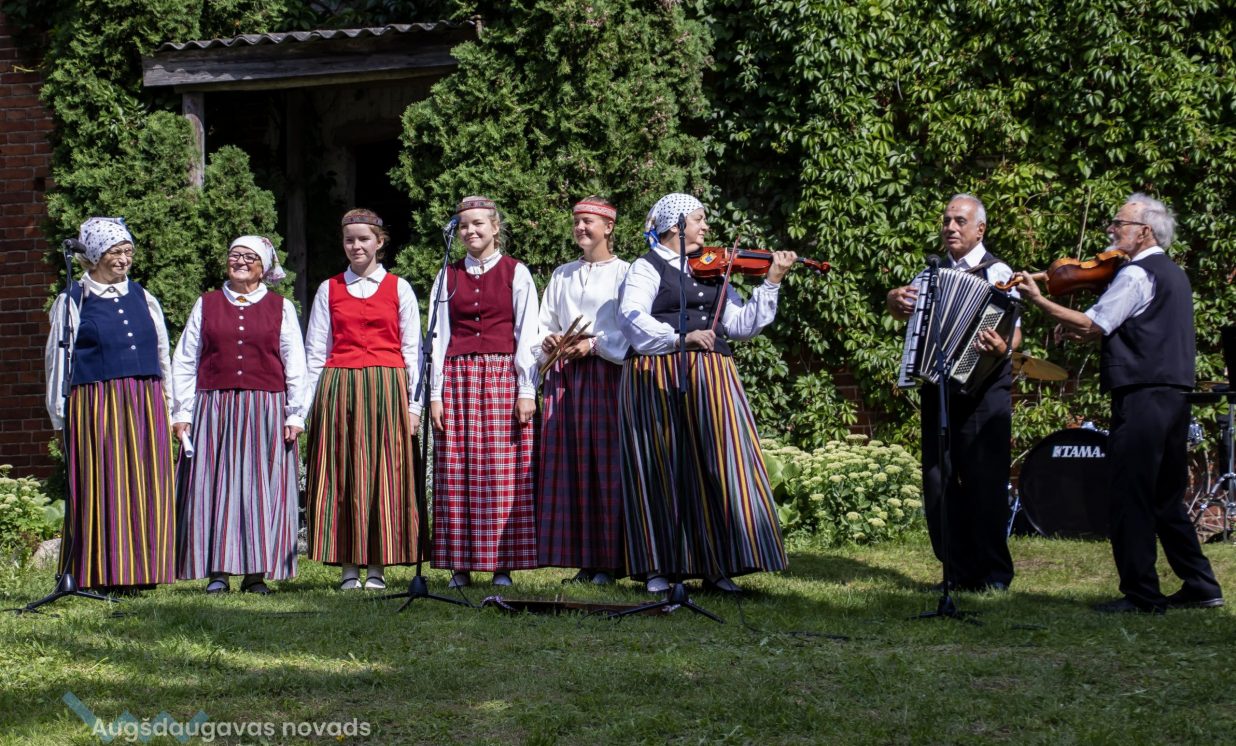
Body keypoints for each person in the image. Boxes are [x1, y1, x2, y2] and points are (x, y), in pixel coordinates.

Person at [1013, 193, 1223, 613]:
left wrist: (1038, 300)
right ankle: (1202, 586)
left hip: (1142, 396)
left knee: (1131, 494)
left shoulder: (1137, 273)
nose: (1111, 230)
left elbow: (1094, 322)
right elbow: (1125, 327)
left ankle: (1142, 594)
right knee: (1165, 498)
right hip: (1174, 396)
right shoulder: (1174, 274)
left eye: (1119, 223)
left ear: (1144, 231)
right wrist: (1083, 330)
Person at [618, 192, 793, 594]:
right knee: (658, 466)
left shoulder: (714, 269)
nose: (706, 227)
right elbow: (632, 318)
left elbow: (741, 325)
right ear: (675, 225)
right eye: (699, 219)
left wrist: (771, 281)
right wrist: (679, 337)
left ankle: (718, 565)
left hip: (712, 375)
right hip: (655, 375)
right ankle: (659, 567)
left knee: (722, 462)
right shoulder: (645, 268)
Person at [885, 194, 1020, 593]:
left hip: (984, 391)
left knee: (984, 482)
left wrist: (1002, 346)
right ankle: (957, 571)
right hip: (939, 387)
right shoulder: (931, 272)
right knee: (938, 479)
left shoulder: (998, 272)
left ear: (980, 229)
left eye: (960, 221)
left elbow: (1014, 332)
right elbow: (905, 313)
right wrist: (894, 302)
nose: (950, 227)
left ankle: (994, 573)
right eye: (947, 220)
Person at [44, 217, 174, 592]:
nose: (123, 259)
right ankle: (103, 571)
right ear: (95, 255)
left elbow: (162, 353)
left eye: (128, 251)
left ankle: (145, 570)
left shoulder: (144, 297)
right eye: (115, 252)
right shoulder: (73, 300)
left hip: (144, 399)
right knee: (105, 482)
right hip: (97, 401)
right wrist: (59, 416)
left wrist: (169, 402)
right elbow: (58, 361)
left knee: (147, 482)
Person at [171, 236, 306, 594]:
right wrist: (182, 411)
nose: (241, 262)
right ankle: (217, 572)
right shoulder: (207, 304)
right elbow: (185, 359)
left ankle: (255, 574)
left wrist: (295, 414)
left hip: (266, 408)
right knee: (214, 486)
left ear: (264, 268)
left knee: (260, 489)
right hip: (215, 408)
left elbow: (295, 362)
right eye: (235, 255)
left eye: (250, 257)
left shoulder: (280, 307)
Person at [303, 209, 422, 591]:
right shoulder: (330, 289)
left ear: (379, 242)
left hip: (387, 387)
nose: (356, 246)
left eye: (363, 239)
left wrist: (414, 405)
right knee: (342, 474)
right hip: (340, 387)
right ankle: (348, 567)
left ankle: (377, 567)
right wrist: (305, 408)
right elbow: (316, 351)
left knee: (384, 474)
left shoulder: (399, 288)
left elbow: (413, 350)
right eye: (349, 239)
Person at [429, 196, 540, 588]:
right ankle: (459, 563)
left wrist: (526, 388)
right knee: (456, 468)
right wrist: (435, 393)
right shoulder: (448, 275)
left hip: (500, 375)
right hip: (458, 377)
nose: (470, 231)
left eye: (478, 223)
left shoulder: (516, 272)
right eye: (463, 225)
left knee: (500, 470)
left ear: (495, 227)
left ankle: (501, 564)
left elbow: (527, 332)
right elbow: (438, 334)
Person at [534, 197, 630, 585]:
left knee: (606, 466)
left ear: (609, 227)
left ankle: (610, 561)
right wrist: (549, 340)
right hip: (565, 377)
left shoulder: (626, 273)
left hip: (606, 375)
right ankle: (584, 561)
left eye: (588, 221)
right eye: (576, 221)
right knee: (571, 465)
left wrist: (594, 345)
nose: (580, 228)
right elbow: (543, 324)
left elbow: (631, 329)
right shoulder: (562, 274)